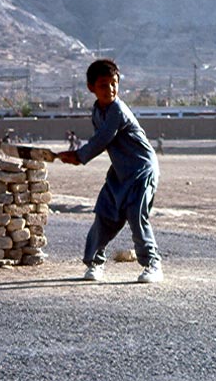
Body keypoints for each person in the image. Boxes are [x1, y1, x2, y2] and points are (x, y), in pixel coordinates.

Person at [58, 59, 163, 284]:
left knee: (136, 214)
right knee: (105, 214)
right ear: (91, 87)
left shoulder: (117, 109)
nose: (110, 89)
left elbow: (104, 139)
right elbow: (101, 140)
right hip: (120, 171)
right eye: (103, 85)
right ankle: (95, 263)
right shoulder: (97, 111)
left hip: (142, 169)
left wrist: (79, 156)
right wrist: (77, 154)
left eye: (114, 83)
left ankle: (152, 264)